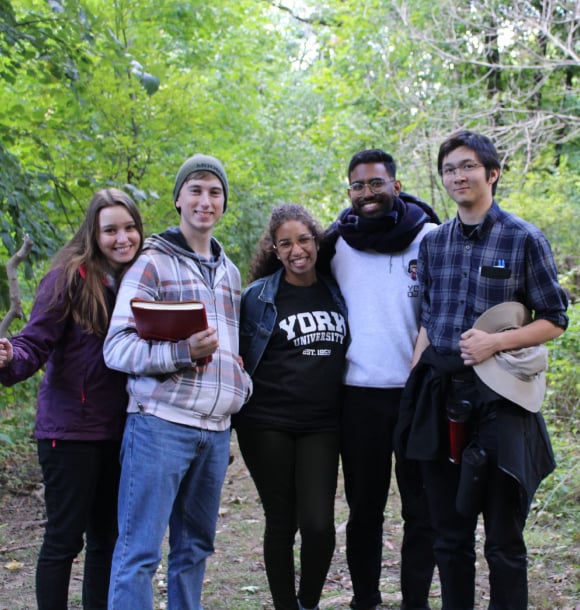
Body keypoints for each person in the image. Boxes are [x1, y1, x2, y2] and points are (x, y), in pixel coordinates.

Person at [398, 130, 569, 609]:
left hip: (501, 399)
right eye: (449, 168)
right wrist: (415, 389)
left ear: (492, 173)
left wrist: (496, 341)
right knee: (448, 535)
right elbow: (429, 324)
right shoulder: (433, 245)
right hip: (440, 395)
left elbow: (555, 319)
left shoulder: (523, 237)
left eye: (468, 166)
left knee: (503, 540)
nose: (458, 175)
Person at [103, 153, 253, 610]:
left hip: (214, 432)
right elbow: (117, 349)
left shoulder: (228, 271)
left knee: (194, 550)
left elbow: (227, 347)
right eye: (196, 190)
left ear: (224, 203)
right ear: (178, 199)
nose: (205, 201)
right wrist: (181, 353)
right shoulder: (152, 263)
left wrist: (239, 385)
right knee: (140, 553)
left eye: (215, 192)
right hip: (160, 426)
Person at [0, 188, 143, 610]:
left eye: (130, 227)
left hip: (122, 429)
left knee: (107, 539)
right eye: (110, 230)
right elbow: (33, 343)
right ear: (93, 234)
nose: (122, 238)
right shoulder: (68, 277)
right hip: (70, 432)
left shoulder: (141, 277)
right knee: (64, 540)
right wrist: (9, 357)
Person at [317, 149, 439, 610]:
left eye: (375, 183)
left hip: (417, 395)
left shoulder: (431, 238)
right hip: (358, 396)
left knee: (420, 511)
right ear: (349, 192)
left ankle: (415, 602)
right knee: (364, 512)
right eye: (358, 186)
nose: (367, 193)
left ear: (396, 186)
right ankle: (364, 600)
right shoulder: (336, 244)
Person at [234, 204, 348, 610]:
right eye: (286, 243)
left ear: (316, 241)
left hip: (322, 422)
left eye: (303, 239)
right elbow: (234, 354)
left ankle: (309, 602)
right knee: (281, 521)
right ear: (275, 250)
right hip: (266, 422)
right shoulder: (257, 297)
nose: (296, 249)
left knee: (318, 525)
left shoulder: (337, 290)